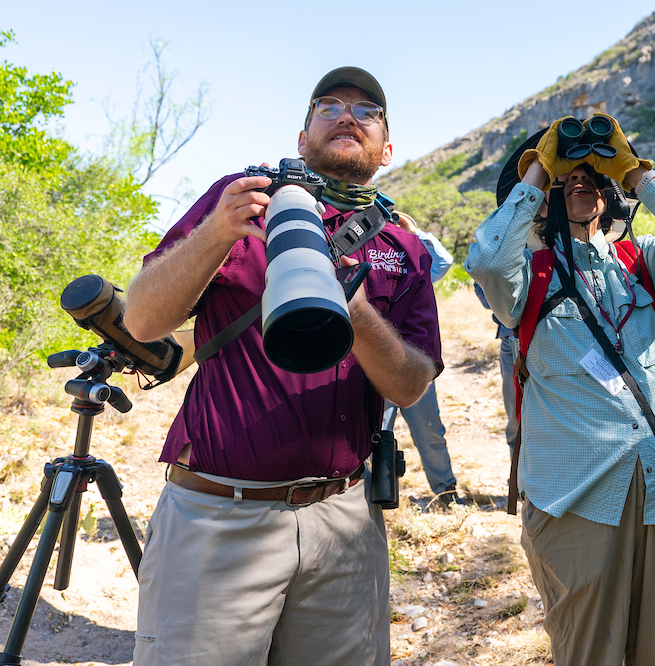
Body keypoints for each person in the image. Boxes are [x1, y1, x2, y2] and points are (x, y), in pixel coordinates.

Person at [123, 67, 443, 666]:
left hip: (344, 520)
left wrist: (352, 308)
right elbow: (141, 321)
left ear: (387, 149)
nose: (348, 116)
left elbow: (410, 384)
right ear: (302, 140)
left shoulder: (404, 248)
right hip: (219, 516)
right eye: (329, 106)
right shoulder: (239, 199)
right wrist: (218, 230)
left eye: (367, 111)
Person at [467, 115, 655, 666]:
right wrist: (540, 170)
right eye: (564, 178)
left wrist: (637, 174)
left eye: (589, 174)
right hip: (579, 501)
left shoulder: (643, 263)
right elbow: (488, 258)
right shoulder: (525, 277)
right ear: (538, 199)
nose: (577, 181)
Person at [393, 212, 468, 507]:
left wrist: (416, 233)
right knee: (374, 435)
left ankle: (446, 493)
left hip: (413, 362)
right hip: (369, 363)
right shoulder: (359, 263)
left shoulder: (413, 264)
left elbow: (443, 262)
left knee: (429, 429)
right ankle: (375, 497)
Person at [474, 280, 519, 457]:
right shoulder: (495, 250)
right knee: (515, 414)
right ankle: (516, 476)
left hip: (550, 333)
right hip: (511, 337)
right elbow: (480, 280)